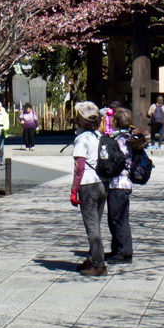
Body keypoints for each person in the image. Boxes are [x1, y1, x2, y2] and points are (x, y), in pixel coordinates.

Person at [69, 101, 108, 276]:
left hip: (88, 184)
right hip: (103, 183)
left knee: (92, 227)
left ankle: (99, 265)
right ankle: (92, 258)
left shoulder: (81, 139)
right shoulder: (100, 136)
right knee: (96, 224)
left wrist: (74, 189)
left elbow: (79, 167)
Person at [106, 111, 146, 263]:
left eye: (112, 119)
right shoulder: (125, 137)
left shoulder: (122, 139)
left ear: (116, 122)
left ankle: (124, 252)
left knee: (118, 218)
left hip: (119, 184)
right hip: (119, 183)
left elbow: (119, 160)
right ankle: (117, 249)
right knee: (116, 218)